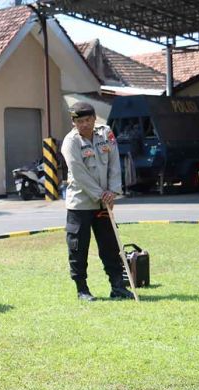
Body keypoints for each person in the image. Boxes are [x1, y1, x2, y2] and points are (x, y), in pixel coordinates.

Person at [61, 101, 135, 302]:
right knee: (78, 247)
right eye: (79, 121)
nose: (84, 124)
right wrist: (102, 194)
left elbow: (114, 163)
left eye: (87, 120)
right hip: (81, 204)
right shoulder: (71, 142)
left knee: (110, 245)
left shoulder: (106, 133)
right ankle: (82, 290)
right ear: (73, 122)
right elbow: (79, 174)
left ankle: (118, 286)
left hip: (104, 202)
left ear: (94, 119)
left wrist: (112, 191)